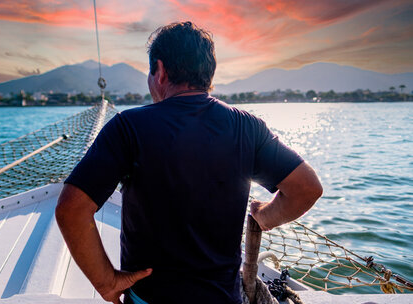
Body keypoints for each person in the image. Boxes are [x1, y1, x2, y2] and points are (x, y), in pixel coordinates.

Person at [56, 21, 323, 304]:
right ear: (208, 73)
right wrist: (266, 217)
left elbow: (71, 210)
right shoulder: (248, 128)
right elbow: (307, 188)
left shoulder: (128, 127)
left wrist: (107, 282)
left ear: (159, 71)